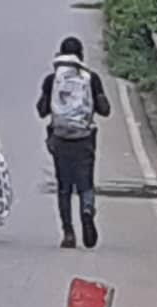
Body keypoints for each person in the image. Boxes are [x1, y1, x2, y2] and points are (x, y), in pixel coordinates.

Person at [36, 37, 111, 249]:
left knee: (64, 187)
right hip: (84, 139)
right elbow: (105, 110)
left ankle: (68, 232)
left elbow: (42, 110)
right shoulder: (91, 78)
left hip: (60, 139)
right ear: (81, 56)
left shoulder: (52, 80)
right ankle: (87, 211)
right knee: (85, 183)